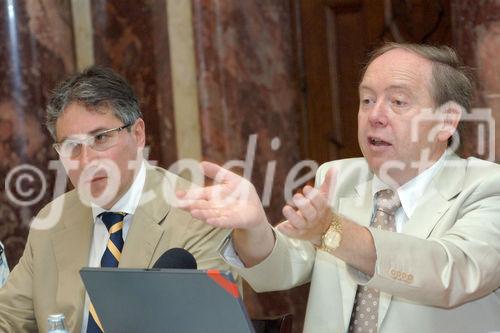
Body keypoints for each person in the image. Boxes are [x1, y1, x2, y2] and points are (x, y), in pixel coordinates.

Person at [178, 43, 500, 332]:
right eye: (367, 99)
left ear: (447, 121)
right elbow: (283, 269)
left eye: (398, 101)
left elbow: (451, 274)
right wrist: (252, 227)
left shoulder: (487, 187)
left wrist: (333, 230)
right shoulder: (340, 177)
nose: (375, 115)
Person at [0, 67, 232, 332]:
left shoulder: (199, 216)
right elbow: (7, 319)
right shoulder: (52, 221)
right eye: (72, 146)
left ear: (138, 134)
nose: (86, 161)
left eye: (100, 138)